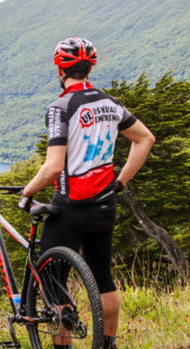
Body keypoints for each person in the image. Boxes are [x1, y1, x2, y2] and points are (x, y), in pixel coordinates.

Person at [18, 37, 155, 349]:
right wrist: (120, 182)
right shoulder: (111, 103)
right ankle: (108, 344)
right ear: (90, 66)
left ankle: (61, 346)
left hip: (69, 207)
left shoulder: (61, 107)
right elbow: (145, 139)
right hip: (105, 204)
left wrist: (26, 193)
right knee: (103, 278)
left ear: (59, 69)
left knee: (54, 282)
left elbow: (53, 168)